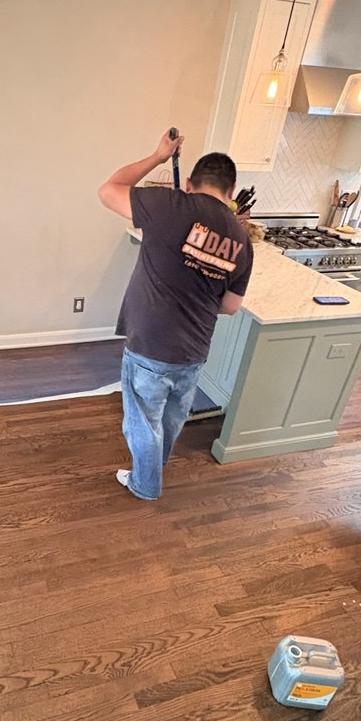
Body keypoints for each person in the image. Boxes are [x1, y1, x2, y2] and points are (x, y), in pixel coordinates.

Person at [97, 130, 253, 500]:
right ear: (231, 194)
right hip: (194, 348)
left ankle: (145, 484)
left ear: (190, 182)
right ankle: (153, 469)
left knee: (142, 420)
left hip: (152, 341)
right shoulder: (241, 238)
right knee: (169, 419)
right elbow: (231, 306)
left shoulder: (168, 205)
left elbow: (109, 189)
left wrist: (157, 155)